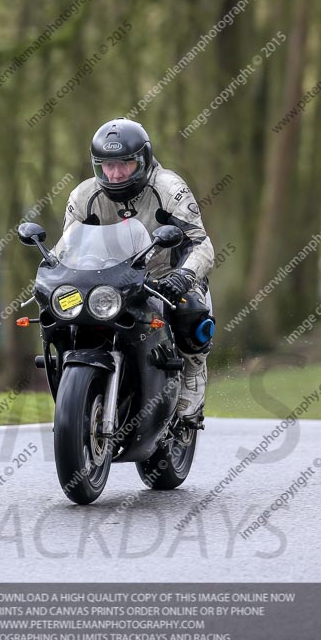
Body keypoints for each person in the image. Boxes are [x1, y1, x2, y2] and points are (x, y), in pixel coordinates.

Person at [63, 118, 215, 426]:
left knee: (191, 310)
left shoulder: (170, 189)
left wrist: (183, 276)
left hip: (164, 278)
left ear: (143, 160)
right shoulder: (83, 196)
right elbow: (65, 249)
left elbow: (201, 243)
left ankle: (193, 373)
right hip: (103, 282)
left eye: (125, 164)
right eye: (108, 165)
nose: (115, 173)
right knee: (61, 309)